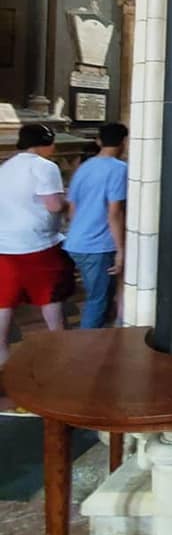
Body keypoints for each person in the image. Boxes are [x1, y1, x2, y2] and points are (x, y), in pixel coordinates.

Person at [0, 123, 70, 366]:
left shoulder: (5, 167)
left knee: (4, 304)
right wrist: (67, 200)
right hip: (38, 244)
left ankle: (4, 369)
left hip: (4, 245)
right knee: (50, 303)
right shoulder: (45, 166)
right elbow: (54, 205)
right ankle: (62, 360)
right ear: (46, 143)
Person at [66, 122, 128, 329]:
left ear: (99, 141)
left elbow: (72, 208)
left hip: (77, 241)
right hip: (98, 245)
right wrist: (121, 250)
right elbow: (114, 212)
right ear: (124, 142)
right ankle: (88, 346)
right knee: (98, 301)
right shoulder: (119, 169)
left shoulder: (84, 167)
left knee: (98, 297)